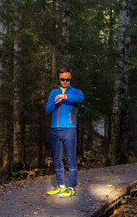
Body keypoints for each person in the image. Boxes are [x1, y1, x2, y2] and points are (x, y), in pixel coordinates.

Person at [45, 67, 85, 198]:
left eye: (67, 79)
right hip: (55, 129)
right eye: (62, 79)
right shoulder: (53, 92)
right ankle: (61, 186)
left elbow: (81, 98)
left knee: (71, 159)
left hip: (69, 130)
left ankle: (71, 188)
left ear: (70, 78)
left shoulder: (76, 92)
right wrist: (56, 102)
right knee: (56, 159)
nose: (65, 81)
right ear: (59, 78)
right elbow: (48, 109)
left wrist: (64, 96)